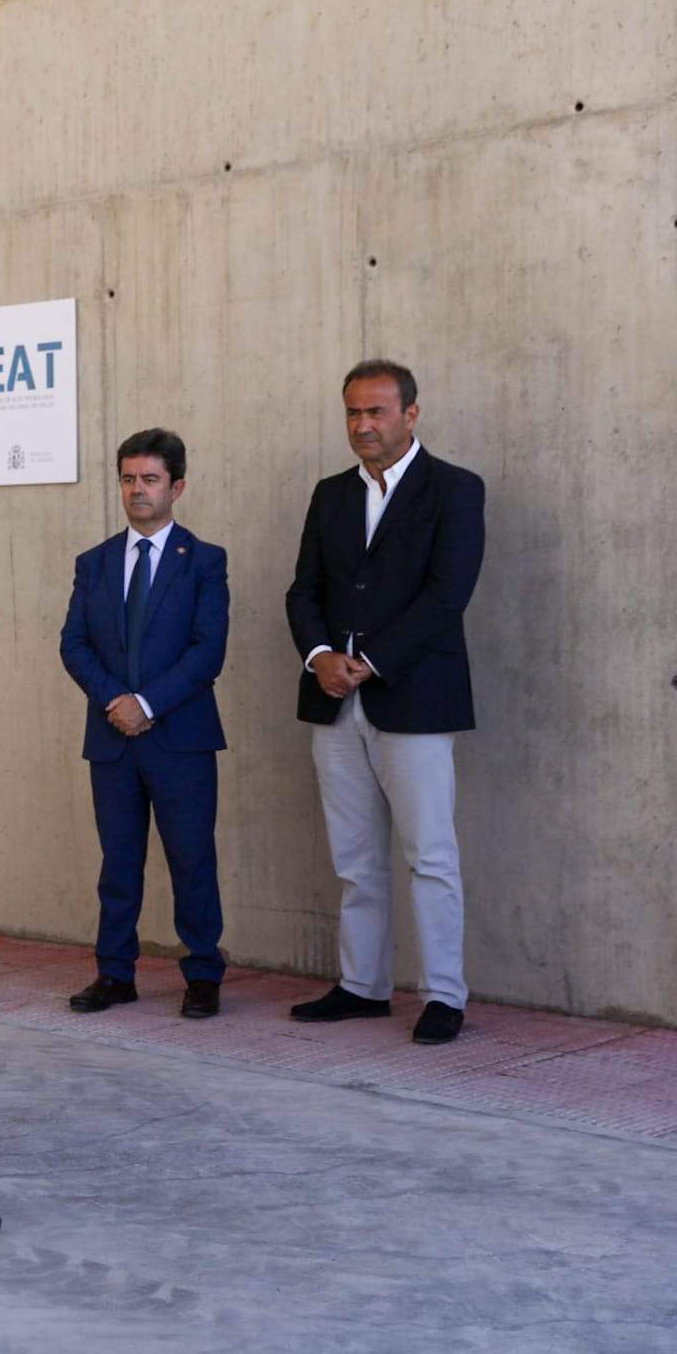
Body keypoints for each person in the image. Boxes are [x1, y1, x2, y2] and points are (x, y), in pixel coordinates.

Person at [284, 360, 485, 1045]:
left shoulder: (454, 490)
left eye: (376, 411)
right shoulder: (330, 493)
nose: (363, 425)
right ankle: (364, 986)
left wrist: (368, 662)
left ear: (410, 414)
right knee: (355, 856)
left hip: (415, 698)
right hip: (334, 702)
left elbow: (447, 595)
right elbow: (302, 591)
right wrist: (320, 658)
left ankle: (444, 995)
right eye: (352, 413)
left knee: (430, 854)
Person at [58, 430, 231, 1018]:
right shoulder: (96, 563)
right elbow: (74, 644)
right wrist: (117, 702)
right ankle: (114, 974)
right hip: (112, 739)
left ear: (176, 486)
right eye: (129, 478)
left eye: (150, 479)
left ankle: (203, 974)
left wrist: (148, 705)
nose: (138, 490)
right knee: (119, 862)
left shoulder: (203, 562)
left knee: (191, 860)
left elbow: (207, 652)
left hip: (180, 740)